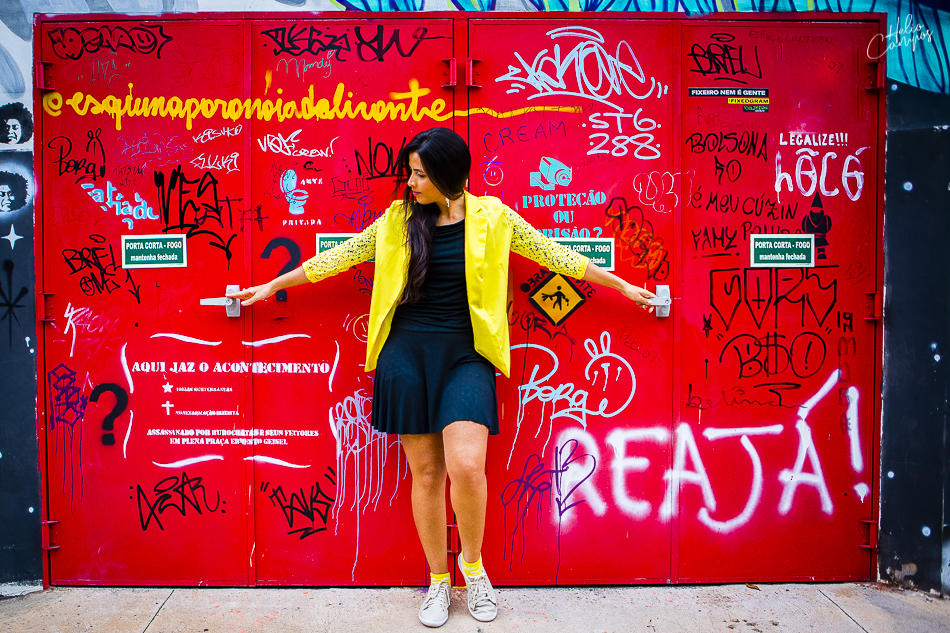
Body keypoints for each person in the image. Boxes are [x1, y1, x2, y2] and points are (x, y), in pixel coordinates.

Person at [229, 127, 656, 628]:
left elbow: (556, 255)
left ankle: (473, 570)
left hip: (467, 356)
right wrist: (273, 285)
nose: (410, 182)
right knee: (428, 474)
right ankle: (437, 580)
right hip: (405, 356)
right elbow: (337, 257)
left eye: (420, 174)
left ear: (448, 175)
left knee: (467, 465)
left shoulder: (494, 217)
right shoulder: (397, 220)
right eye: (409, 173)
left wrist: (622, 286)